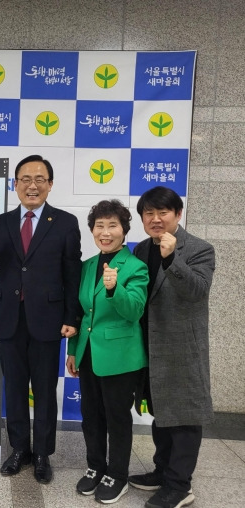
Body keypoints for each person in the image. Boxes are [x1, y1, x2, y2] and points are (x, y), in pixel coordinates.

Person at [0, 154, 82, 484]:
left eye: (39, 179)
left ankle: (43, 454)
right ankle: (19, 448)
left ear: (50, 185)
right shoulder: (2, 222)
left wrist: (71, 317)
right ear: (15, 184)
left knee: (46, 390)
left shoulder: (64, 223)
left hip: (48, 320)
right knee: (15, 389)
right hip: (9, 318)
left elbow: (72, 274)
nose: (32, 185)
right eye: (25, 179)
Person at [128, 186, 215, 508]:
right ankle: (162, 471)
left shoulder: (199, 249)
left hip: (181, 349)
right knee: (161, 413)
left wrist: (172, 258)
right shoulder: (139, 251)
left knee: (184, 418)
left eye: (162, 212)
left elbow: (197, 291)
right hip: (148, 347)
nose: (155, 219)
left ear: (178, 214)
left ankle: (180, 486)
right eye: (148, 213)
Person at [66, 200, 148, 504]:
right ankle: (95, 466)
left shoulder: (136, 266)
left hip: (121, 356)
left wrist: (115, 290)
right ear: (92, 230)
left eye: (112, 225)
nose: (105, 231)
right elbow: (80, 314)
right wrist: (73, 349)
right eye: (99, 225)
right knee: (91, 415)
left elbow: (134, 311)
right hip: (88, 353)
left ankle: (118, 474)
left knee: (117, 418)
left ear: (124, 230)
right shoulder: (88, 266)